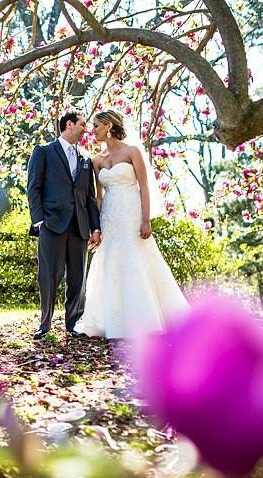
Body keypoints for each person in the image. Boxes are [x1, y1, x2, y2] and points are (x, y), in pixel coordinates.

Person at [73, 109, 188, 339]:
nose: (92, 130)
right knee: (111, 261)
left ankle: (147, 319)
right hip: (109, 215)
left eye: (96, 126)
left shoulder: (132, 152)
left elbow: (144, 186)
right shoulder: (96, 160)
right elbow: (98, 196)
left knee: (136, 259)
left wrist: (146, 219)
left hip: (132, 212)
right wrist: (96, 227)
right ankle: (109, 321)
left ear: (109, 126)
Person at [26, 111, 101, 340]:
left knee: (77, 279)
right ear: (69, 125)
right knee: (49, 275)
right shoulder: (44, 152)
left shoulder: (85, 160)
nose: (85, 129)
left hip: (79, 225)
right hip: (52, 223)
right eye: (82, 124)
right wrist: (39, 221)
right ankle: (45, 324)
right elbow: (33, 187)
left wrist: (95, 227)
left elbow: (89, 197)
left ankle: (73, 324)